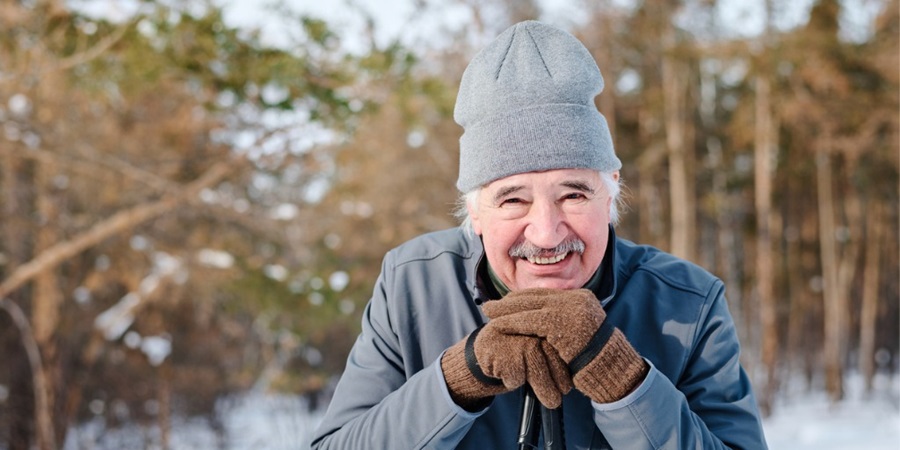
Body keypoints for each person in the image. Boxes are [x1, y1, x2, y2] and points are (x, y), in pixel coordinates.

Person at [311, 20, 768, 449]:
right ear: (475, 210)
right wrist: (460, 377)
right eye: (514, 199)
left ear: (610, 198)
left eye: (573, 194)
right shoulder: (412, 286)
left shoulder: (689, 303)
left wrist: (623, 380)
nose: (547, 234)